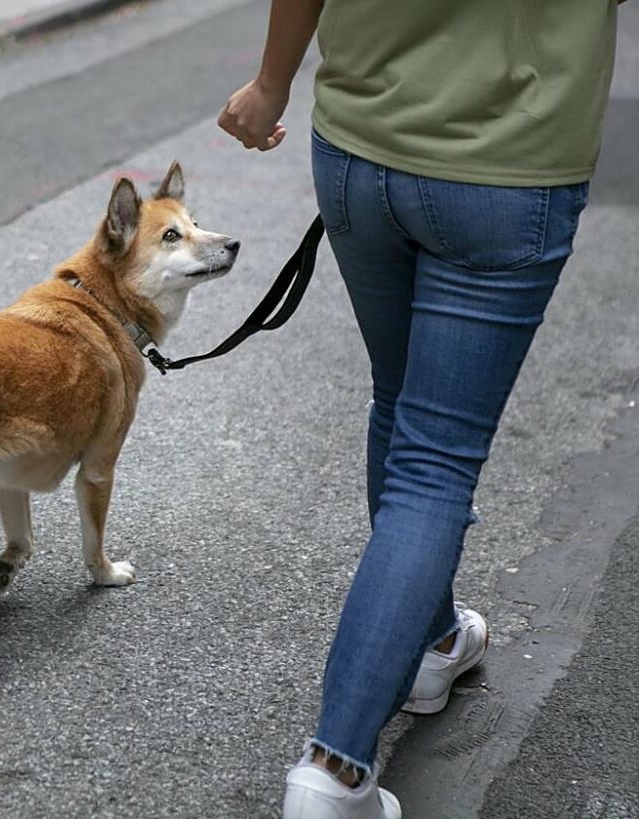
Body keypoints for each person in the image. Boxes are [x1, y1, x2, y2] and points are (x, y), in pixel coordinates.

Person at [217, 0, 622, 816]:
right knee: (434, 462)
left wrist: (270, 83)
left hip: (362, 150)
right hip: (507, 165)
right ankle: (334, 773)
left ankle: (435, 642)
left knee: (402, 406)